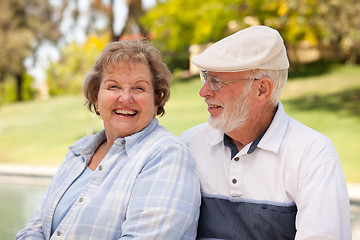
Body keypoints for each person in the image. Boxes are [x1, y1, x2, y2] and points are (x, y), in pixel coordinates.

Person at [16, 39, 200, 240]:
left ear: (156, 99)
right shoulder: (79, 153)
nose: (125, 98)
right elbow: (33, 229)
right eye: (113, 87)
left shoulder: (167, 156)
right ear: (96, 97)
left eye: (139, 88)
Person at [180, 25, 351, 239]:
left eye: (217, 81)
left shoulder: (312, 155)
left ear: (262, 89)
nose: (203, 92)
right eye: (205, 77)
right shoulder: (189, 145)